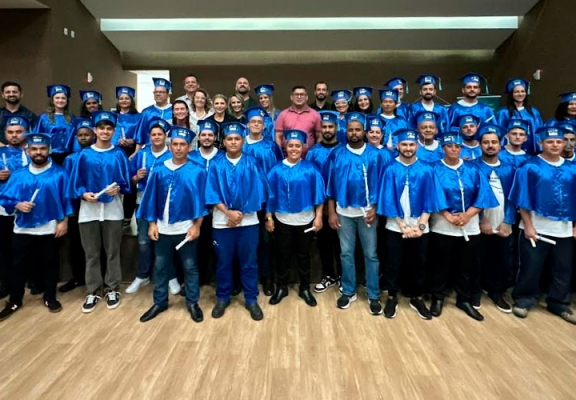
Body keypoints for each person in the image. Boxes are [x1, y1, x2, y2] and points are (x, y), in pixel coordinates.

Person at [137, 127, 208, 323]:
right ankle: (159, 302)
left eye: (182, 144)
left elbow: (202, 203)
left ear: (189, 147)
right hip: (162, 228)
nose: (178, 148)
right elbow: (150, 199)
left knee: (190, 266)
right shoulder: (159, 170)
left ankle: (192, 303)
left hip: (186, 228)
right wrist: (152, 224)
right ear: (170, 146)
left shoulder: (197, 171)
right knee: (160, 266)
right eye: (175, 144)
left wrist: (197, 226)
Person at [0, 132, 72, 321]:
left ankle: (50, 297)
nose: (38, 152)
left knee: (50, 263)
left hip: (49, 227)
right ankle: (15, 300)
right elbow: (6, 197)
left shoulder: (59, 174)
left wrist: (63, 221)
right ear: (28, 151)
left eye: (42, 149)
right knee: (18, 265)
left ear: (48, 150)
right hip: (23, 228)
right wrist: (17, 204)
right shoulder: (19, 175)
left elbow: (66, 199)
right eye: (34, 149)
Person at [428, 131, 498, 321]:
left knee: (466, 265)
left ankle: (463, 299)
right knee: (440, 265)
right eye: (449, 146)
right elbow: (432, 195)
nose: (454, 149)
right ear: (443, 148)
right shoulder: (434, 169)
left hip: (470, 224)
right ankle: (438, 298)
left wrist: (468, 215)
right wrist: (447, 215)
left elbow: (483, 195)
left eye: (457, 146)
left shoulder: (473, 169)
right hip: (442, 225)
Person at [509, 126, 576, 324]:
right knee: (531, 267)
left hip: (564, 229)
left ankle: (558, 302)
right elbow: (522, 199)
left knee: (562, 269)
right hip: (536, 227)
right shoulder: (529, 167)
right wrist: (528, 225)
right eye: (550, 141)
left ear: (564, 143)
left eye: (558, 141)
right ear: (541, 143)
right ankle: (524, 299)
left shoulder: (572, 169)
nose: (555, 145)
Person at [205, 121, 269, 321]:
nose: (233, 142)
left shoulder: (252, 162)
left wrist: (238, 215)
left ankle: (251, 299)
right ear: (224, 141)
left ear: (243, 141)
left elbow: (258, 191)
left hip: (248, 223)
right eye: (229, 139)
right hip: (221, 223)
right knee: (223, 262)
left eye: (237, 138)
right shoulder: (216, 164)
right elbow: (211, 192)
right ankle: (223, 297)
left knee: (249, 262)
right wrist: (228, 214)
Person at [68, 111, 131, 313]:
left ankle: (112, 288)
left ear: (113, 131)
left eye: (109, 128)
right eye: (101, 128)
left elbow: (126, 183)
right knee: (92, 253)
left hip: (113, 211)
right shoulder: (84, 155)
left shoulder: (119, 154)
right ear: (95, 130)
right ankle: (93, 290)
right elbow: (75, 182)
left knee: (112, 252)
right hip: (89, 212)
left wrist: (118, 188)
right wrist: (83, 194)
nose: (105, 132)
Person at [377, 128, 444, 320]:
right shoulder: (390, 169)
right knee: (393, 263)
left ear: (417, 146)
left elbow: (431, 200)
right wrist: (403, 226)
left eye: (411, 144)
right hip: (395, 226)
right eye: (404, 144)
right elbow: (388, 200)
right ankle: (392, 297)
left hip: (420, 226)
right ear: (398, 146)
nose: (408, 148)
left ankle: (417, 297)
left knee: (419, 263)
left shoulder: (426, 169)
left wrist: (420, 226)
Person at [326, 113, 384, 314]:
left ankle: (373, 294)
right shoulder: (337, 154)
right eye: (350, 130)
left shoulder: (375, 155)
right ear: (346, 132)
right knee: (346, 253)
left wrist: (375, 208)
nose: (354, 133)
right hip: (343, 212)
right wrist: (331, 213)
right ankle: (348, 290)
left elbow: (382, 185)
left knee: (371, 254)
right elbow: (331, 186)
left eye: (357, 129)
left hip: (368, 213)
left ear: (364, 132)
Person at [265, 129, 325, 306]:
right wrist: (269, 217)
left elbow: (319, 195)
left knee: (304, 255)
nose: (294, 149)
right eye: (290, 145)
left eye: (297, 146)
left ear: (303, 147)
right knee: (282, 254)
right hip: (282, 219)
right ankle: (282, 287)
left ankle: (305, 288)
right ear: (285, 146)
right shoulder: (276, 170)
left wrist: (318, 217)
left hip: (305, 220)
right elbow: (269, 195)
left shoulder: (311, 169)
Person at [125, 117, 173, 295]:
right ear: (149, 136)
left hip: (165, 204)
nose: (157, 137)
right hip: (143, 202)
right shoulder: (141, 155)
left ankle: (170, 276)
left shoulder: (172, 155)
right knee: (144, 241)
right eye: (154, 134)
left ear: (165, 136)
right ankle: (142, 275)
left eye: (160, 134)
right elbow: (128, 181)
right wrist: (136, 177)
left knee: (167, 241)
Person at [473, 124, 516, 313]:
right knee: (475, 260)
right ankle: (474, 291)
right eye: (486, 142)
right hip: (478, 224)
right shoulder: (472, 167)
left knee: (500, 260)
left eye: (494, 142)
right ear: (480, 144)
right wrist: (481, 220)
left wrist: (508, 221)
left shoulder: (509, 169)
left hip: (502, 223)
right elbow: (471, 196)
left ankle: (497, 293)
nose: (490, 145)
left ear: (500, 144)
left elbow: (514, 198)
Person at [243, 106, 283, 296]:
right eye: (253, 122)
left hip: (265, 202)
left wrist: (270, 210)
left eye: (259, 122)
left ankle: (267, 278)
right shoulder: (239, 144)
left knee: (265, 242)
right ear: (247, 124)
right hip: (244, 203)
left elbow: (277, 174)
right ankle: (245, 280)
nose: (256, 124)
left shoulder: (271, 147)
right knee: (245, 243)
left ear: (264, 125)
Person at [307, 111, 342, 293]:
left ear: (336, 128)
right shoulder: (313, 152)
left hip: (341, 205)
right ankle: (328, 275)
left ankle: (343, 276)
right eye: (325, 127)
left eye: (331, 126)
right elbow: (309, 180)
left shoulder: (344, 150)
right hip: (320, 204)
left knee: (342, 244)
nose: (327, 130)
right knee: (324, 242)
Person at [58, 118, 95, 293]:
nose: (83, 138)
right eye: (80, 135)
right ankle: (78, 277)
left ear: (93, 136)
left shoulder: (98, 156)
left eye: (86, 134)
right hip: (76, 206)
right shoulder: (70, 159)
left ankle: (97, 277)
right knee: (76, 244)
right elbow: (66, 185)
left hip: (95, 204)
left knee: (95, 244)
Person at [188, 119, 224, 285]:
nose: (207, 138)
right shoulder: (191, 157)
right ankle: (200, 278)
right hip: (196, 209)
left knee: (218, 246)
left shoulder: (222, 157)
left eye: (210, 135)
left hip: (219, 209)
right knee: (199, 246)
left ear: (215, 137)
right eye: (204, 135)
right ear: (199, 137)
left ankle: (217, 278)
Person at [0, 116, 30, 299]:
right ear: (5, 134)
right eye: (10, 132)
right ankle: (7, 284)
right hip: (3, 209)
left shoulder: (34, 152)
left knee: (29, 249)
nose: (14, 135)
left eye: (19, 132)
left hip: (29, 208)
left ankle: (33, 281)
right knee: (5, 250)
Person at [114, 87, 140, 229]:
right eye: (121, 98)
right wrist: (117, 140)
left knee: (130, 183)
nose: (124, 101)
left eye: (127, 98)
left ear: (131, 100)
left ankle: (127, 216)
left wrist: (132, 140)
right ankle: (115, 214)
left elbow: (141, 134)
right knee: (115, 182)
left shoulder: (138, 117)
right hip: (115, 151)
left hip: (131, 152)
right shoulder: (113, 116)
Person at [495, 78, 543, 154]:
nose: (520, 94)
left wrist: (539, 149)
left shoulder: (534, 112)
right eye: (516, 92)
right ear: (511, 94)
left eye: (522, 91)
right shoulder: (503, 113)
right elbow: (499, 133)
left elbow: (538, 132)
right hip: (508, 153)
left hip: (531, 152)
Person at [274, 85, 322, 157]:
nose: (299, 97)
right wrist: (280, 154)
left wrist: (315, 153)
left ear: (306, 97)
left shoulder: (315, 114)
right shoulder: (283, 114)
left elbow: (319, 136)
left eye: (302, 94)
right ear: (291, 97)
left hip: (308, 158)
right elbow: (278, 136)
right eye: (296, 94)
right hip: (287, 157)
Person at [34, 84, 74, 165]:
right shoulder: (44, 118)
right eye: (57, 98)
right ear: (52, 100)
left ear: (67, 101)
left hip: (68, 155)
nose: (60, 100)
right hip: (50, 155)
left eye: (63, 98)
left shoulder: (72, 118)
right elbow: (37, 136)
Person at [134, 77, 173, 151]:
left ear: (168, 94)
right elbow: (140, 134)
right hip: (150, 150)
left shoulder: (174, 110)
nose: (158, 94)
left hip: (170, 151)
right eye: (155, 92)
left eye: (161, 92)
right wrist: (136, 152)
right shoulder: (147, 112)